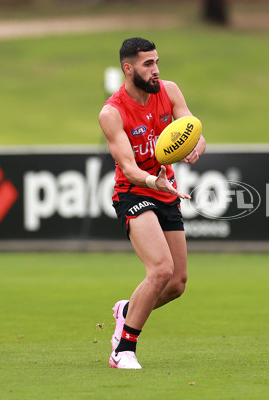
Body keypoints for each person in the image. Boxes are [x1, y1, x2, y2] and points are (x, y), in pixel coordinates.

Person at [98, 37, 206, 369]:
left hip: (165, 191)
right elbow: (128, 168)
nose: (156, 70)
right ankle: (123, 350)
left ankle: (126, 310)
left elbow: (192, 129)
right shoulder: (111, 112)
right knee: (160, 269)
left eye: (157, 61)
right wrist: (151, 181)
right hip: (133, 191)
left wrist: (196, 146)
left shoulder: (169, 91)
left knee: (176, 283)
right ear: (128, 69)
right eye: (148, 64)